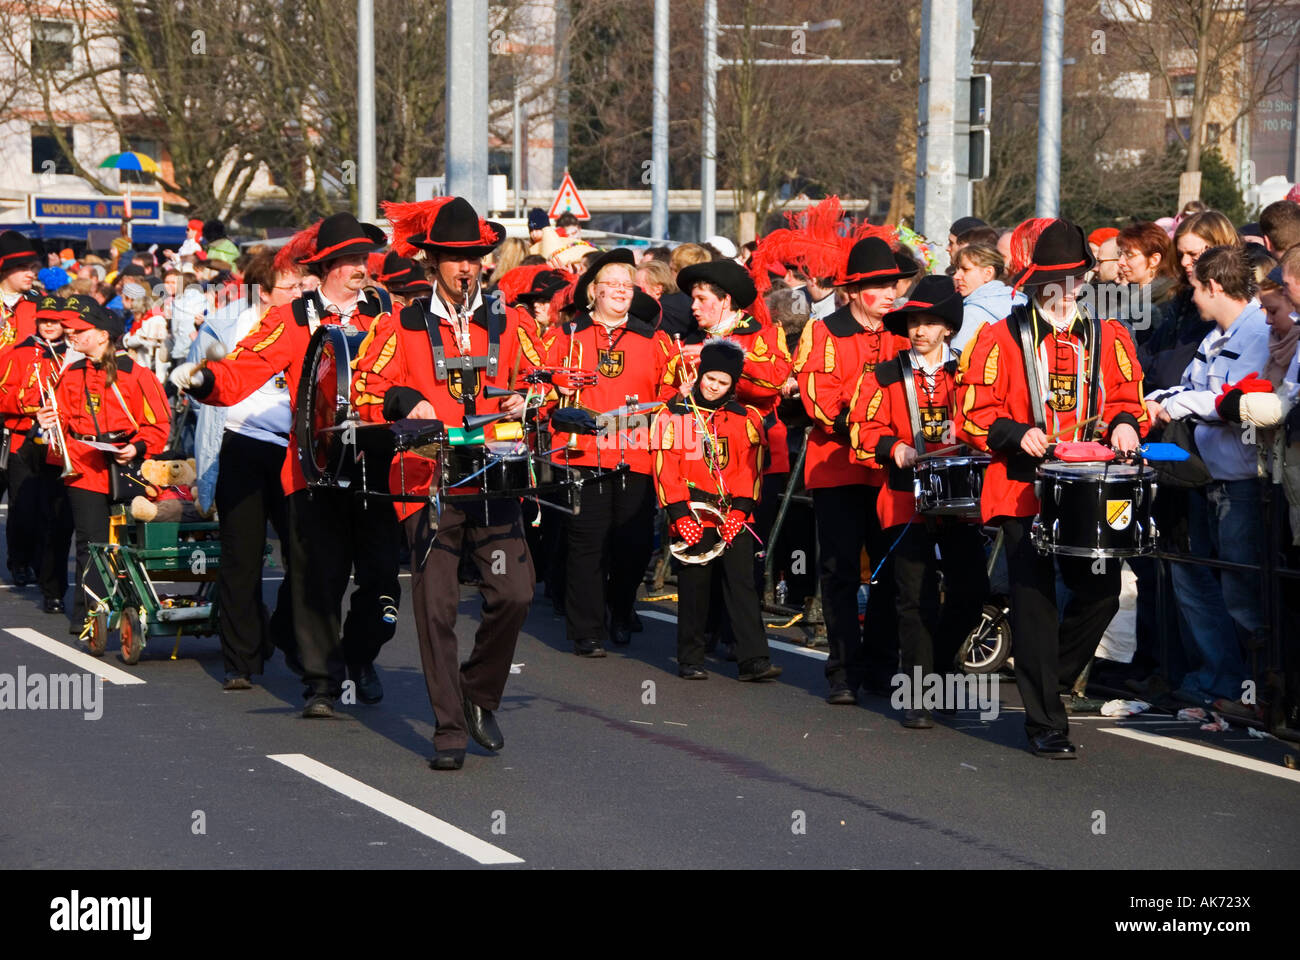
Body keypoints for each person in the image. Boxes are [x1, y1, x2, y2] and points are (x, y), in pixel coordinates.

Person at [170, 212, 397, 718]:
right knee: (317, 578)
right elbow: (247, 366)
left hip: (375, 466)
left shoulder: (386, 312)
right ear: (328, 266)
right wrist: (206, 382)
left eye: (365, 258)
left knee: (383, 580)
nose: (363, 267)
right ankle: (320, 682)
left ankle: (359, 654)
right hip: (313, 471)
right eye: (352, 260)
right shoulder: (294, 318)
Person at [352, 196, 533, 771]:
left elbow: (539, 379)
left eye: (474, 257)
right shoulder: (397, 322)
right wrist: (407, 399)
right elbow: (363, 390)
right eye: (453, 258)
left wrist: (533, 397)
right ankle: (449, 728)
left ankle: (478, 695)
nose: (465, 267)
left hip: (495, 475)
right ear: (432, 262)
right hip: (427, 480)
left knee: (514, 594)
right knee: (436, 608)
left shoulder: (510, 320)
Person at [957, 219, 1147, 758]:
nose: (1061, 290)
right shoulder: (1000, 337)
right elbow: (972, 409)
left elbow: (1127, 399)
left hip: (1089, 485)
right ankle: (1046, 723)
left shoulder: (1109, 336)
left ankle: (1047, 677)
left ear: (1085, 279)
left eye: (1072, 278)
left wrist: (1127, 423)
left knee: (1101, 594)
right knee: (1034, 600)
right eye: (1051, 280)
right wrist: (1017, 432)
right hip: (1022, 483)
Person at [848, 275, 988, 728]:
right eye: (913, 322)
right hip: (904, 499)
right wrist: (895, 447)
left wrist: (971, 438)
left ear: (948, 327)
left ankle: (941, 670)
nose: (920, 331)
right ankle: (918, 695)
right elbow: (860, 428)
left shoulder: (968, 371)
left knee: (970, 593)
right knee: (914, 598)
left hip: (961, 501)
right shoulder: (885, 374)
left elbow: (987, 417)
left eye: (929, 322)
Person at [1146, 246, 1274, 710]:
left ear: (1215, 287)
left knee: (1242, 593)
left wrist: (1180, 403)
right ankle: (1220, 679)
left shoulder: (1260, 330)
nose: (1193, 298)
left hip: (1242, 484)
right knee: (1194, 579)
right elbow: (1191, 385)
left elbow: (1233, 400)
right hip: (1202, 476)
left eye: (1197, 288)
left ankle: (1259, 694)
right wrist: (1161, 399)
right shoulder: (1215, 335)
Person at [793, 233, 912, 705]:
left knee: (889, 568)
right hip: (838, 465)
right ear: (855, 290)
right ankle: (842, 669)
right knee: (841, 569)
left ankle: (882, 665)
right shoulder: (823, 331)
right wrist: (873, 430)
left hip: (890, 469)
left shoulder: (905, 331)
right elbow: (821, 398)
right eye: (881, 287)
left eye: (894, 286)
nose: (891, 294)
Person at [545, 249, 672, 657]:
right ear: (593, 293)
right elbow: (539, 390)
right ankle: (587, 629)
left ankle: (621, 608)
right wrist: (555, 390)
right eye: (611, 285)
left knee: (632, 543)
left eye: (626, 286)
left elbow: (668, 394)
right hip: (582, 453)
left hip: (635, 453)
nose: (620, 291)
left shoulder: (655, 339)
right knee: (587, 541)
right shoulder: (564, 337)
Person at [187, 249, 300, 690]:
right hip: (240, 444)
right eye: (289, 288)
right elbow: (202, 389)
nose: (298, 293)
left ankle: (286, 633)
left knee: (304, 554)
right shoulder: (225, 325)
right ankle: (241, 660)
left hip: (293, 450)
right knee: (242, 557)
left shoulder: (307, 321)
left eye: (300, 285)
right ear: (264, 291)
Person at [37, 296, 171, 637]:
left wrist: (136, 446)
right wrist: (47, 419)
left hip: (124, 466)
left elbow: (158, 424)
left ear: (102, 335)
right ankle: (88, 614)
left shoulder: (137, 374)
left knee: (130, 543)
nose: (71, 335)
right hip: (83, 466)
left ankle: (134, 607)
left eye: (79, 330)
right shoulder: (71, 371)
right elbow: (63, 419)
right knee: (89, 543)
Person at [652, 339, 782, 682]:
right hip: (693, 510)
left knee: (742, 584)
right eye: (710, 378)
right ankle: (690, 658)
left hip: (733, 512)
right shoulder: (676, 414)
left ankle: (753, 659)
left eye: (723, 382)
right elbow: (667, 466)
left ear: (733, 385)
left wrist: (740, 511)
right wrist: (679, 514)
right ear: (699, 375)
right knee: (695, 586)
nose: (714, 387)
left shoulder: (747, 417)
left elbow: (749, 468)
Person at [0, 294, 73, 606]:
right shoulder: (17, 352)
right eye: (43, 320)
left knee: (53, 513)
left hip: (63, 444)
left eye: (54, 321)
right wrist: (31, 406)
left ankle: (48, 580)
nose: (48, 326)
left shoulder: (74, 354)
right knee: (23, 507)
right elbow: (3, 396)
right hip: (24, 440)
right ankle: (18, 561)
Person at [951, 242, 1013, 352]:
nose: (956, 276)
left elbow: (957, 361)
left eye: (965, 269)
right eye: (956, 269)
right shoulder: (1020, 301)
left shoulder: (970, 313)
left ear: (988, 273)